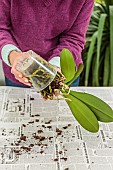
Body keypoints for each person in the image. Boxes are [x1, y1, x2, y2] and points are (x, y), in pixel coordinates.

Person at [0, 0, 94, 87]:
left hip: (63, 70)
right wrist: (13, 56)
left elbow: (74, 37)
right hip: (20, 74)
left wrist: (54, 68)